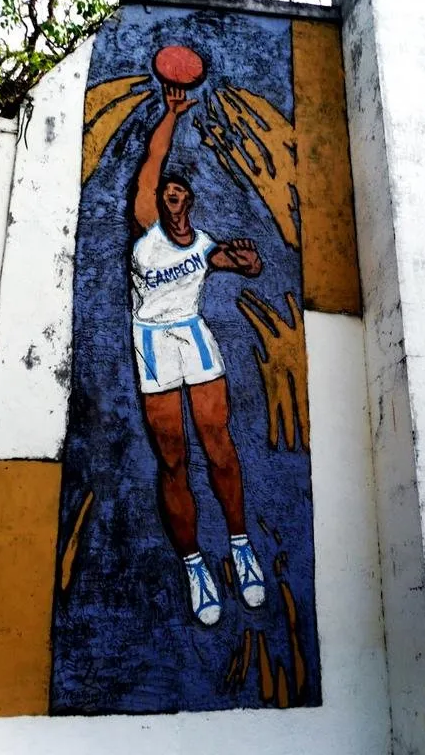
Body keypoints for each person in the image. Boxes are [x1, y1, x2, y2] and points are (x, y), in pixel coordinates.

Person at [131, 85, 266, 626]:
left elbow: (242, 264)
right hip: (153, 342)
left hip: (193, 336)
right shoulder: (146, 231)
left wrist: (250, 263)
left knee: (220, 446)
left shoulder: (205, 244)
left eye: (178, 192)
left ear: (188, 200)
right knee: (173, 459)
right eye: (166, 192)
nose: (171, 197)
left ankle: (240, 547)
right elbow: (152, 162)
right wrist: (171, 113)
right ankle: (194, 566)